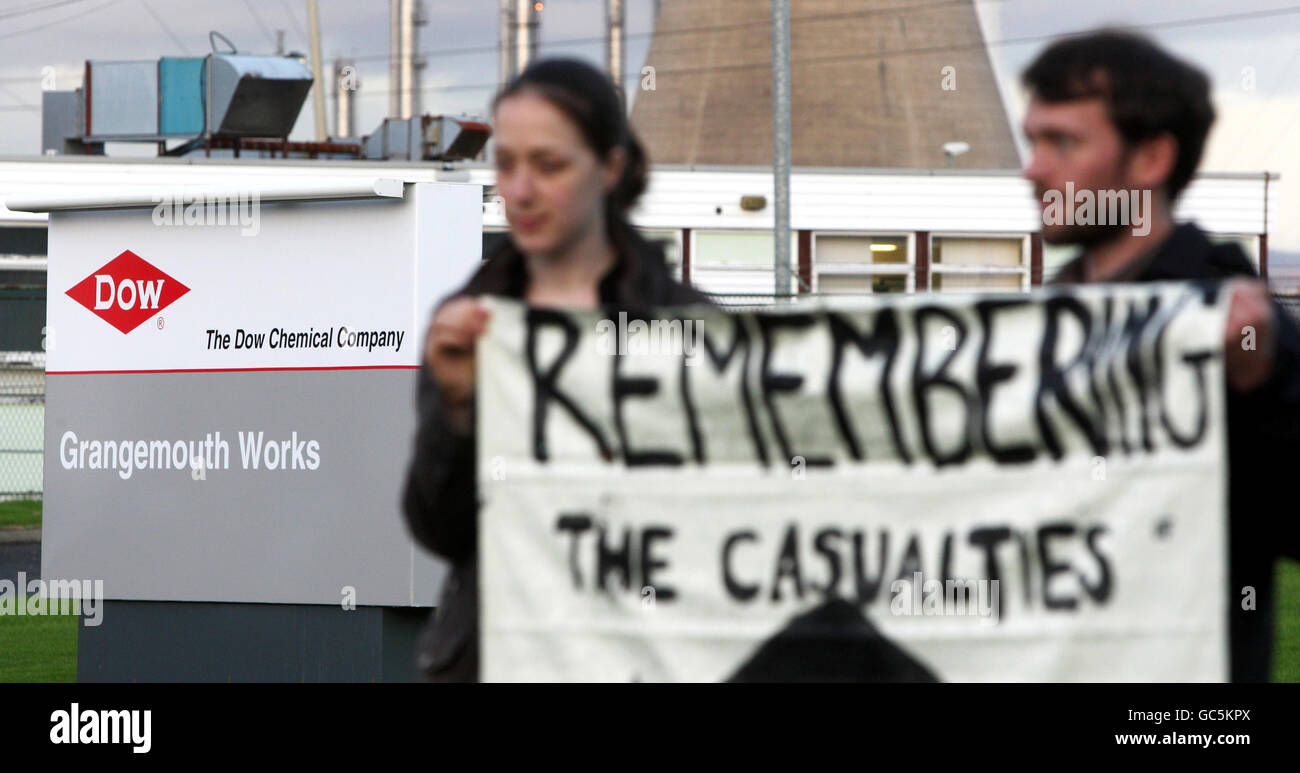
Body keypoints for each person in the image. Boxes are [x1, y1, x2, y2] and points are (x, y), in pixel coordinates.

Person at [401, 57, 711, 682]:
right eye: (507, 163)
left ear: (611, 168)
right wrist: (458, 413)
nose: (520, 190)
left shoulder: (690, 327)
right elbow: (439, 526)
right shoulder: (471, 324)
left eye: (549, 165)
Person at [1021, 29, 1300, 681]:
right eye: (1031, 139)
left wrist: (1259, 382)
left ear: (1150, 161)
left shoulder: (1235, 319)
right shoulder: (1045, 314)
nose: (1033, 168)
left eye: (1062, 141)